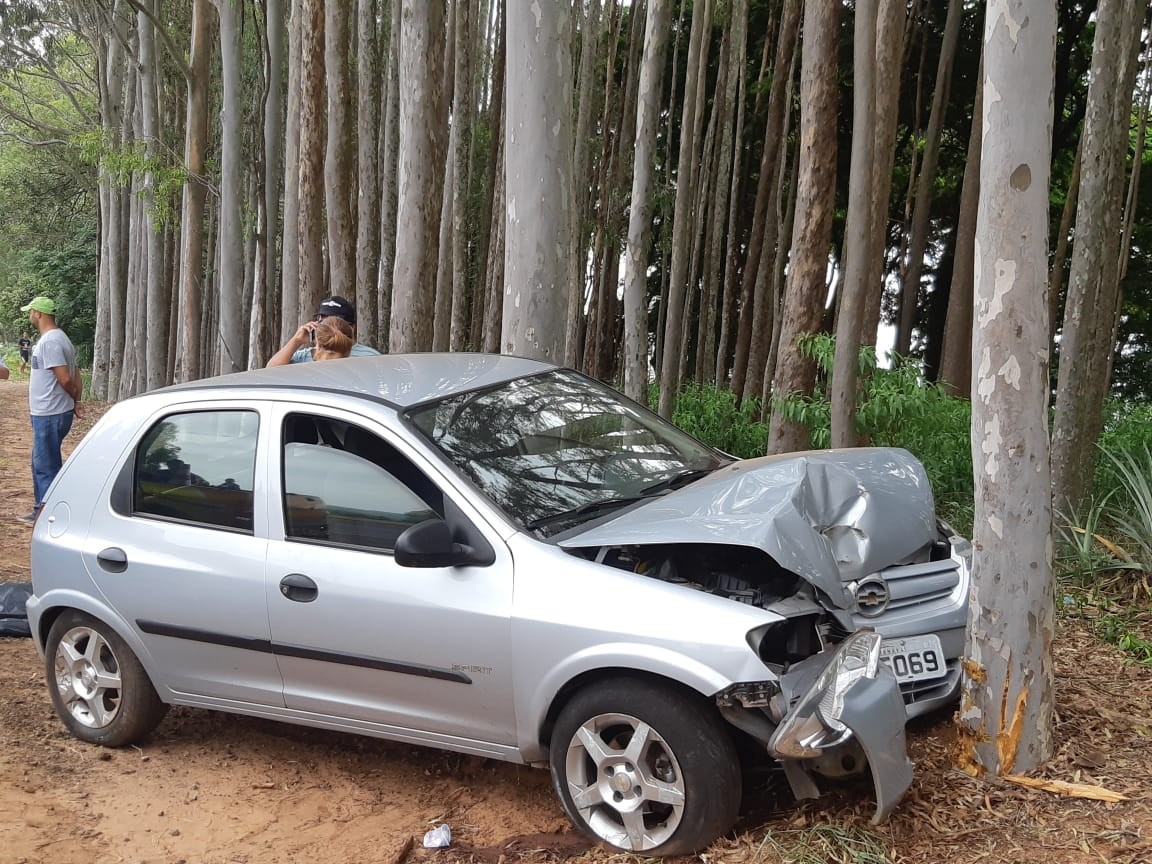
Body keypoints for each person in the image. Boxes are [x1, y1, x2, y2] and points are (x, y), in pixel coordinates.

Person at [19, 296, 81, 524]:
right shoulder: (58, 339)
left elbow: (66, 379)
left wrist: (74, 397)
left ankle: (47, 515)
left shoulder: (51, 342)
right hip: (50, 411)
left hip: (50, 412)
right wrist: (77, 401)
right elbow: (77, 374)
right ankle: (41, 509)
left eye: (31, 311)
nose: (29, 316)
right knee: (42, 462)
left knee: (46, 465)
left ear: (39, 313)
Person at [266, 296, 379, 366]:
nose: (328, 327)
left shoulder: (370, 357)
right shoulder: (307, 355)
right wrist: (296, 341)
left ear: (351, 327)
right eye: (322, 323)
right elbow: (271, 370)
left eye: (334, 322)